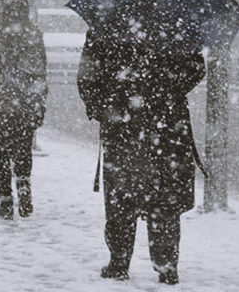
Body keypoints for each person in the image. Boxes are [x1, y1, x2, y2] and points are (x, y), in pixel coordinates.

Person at [77, 22, 204, 285]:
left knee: (121, 196)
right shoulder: (176, 23)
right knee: (164, 198)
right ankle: (165, 263)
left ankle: (119, 261)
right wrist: (167, 87)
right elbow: (196, 68)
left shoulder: (106, 24)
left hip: (123, 126)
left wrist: (105, 107)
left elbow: (87, 77)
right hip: (167, 126)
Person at [0, 0, 48, 220]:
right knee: (23, 147)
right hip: (26, 99)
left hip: (1, 99)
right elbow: (40, 70)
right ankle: (23, 183)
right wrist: (39, 100)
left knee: (0, 150)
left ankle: (6, 200)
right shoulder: (32, 33)